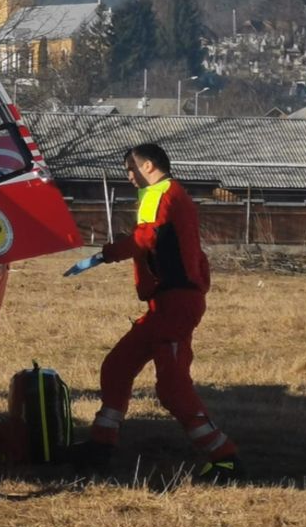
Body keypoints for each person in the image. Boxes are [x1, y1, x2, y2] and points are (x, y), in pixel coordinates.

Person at [65, 143, 243, 483]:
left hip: (174, 305)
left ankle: (225, 458)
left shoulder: (158, 193)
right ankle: (101, 445)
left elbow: (145, 238)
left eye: (129, 169)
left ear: (147, 166)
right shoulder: (175, 195)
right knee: (118, 366)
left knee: (173, 389)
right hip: (168, 303)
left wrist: (106, 254)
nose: (129, 177)